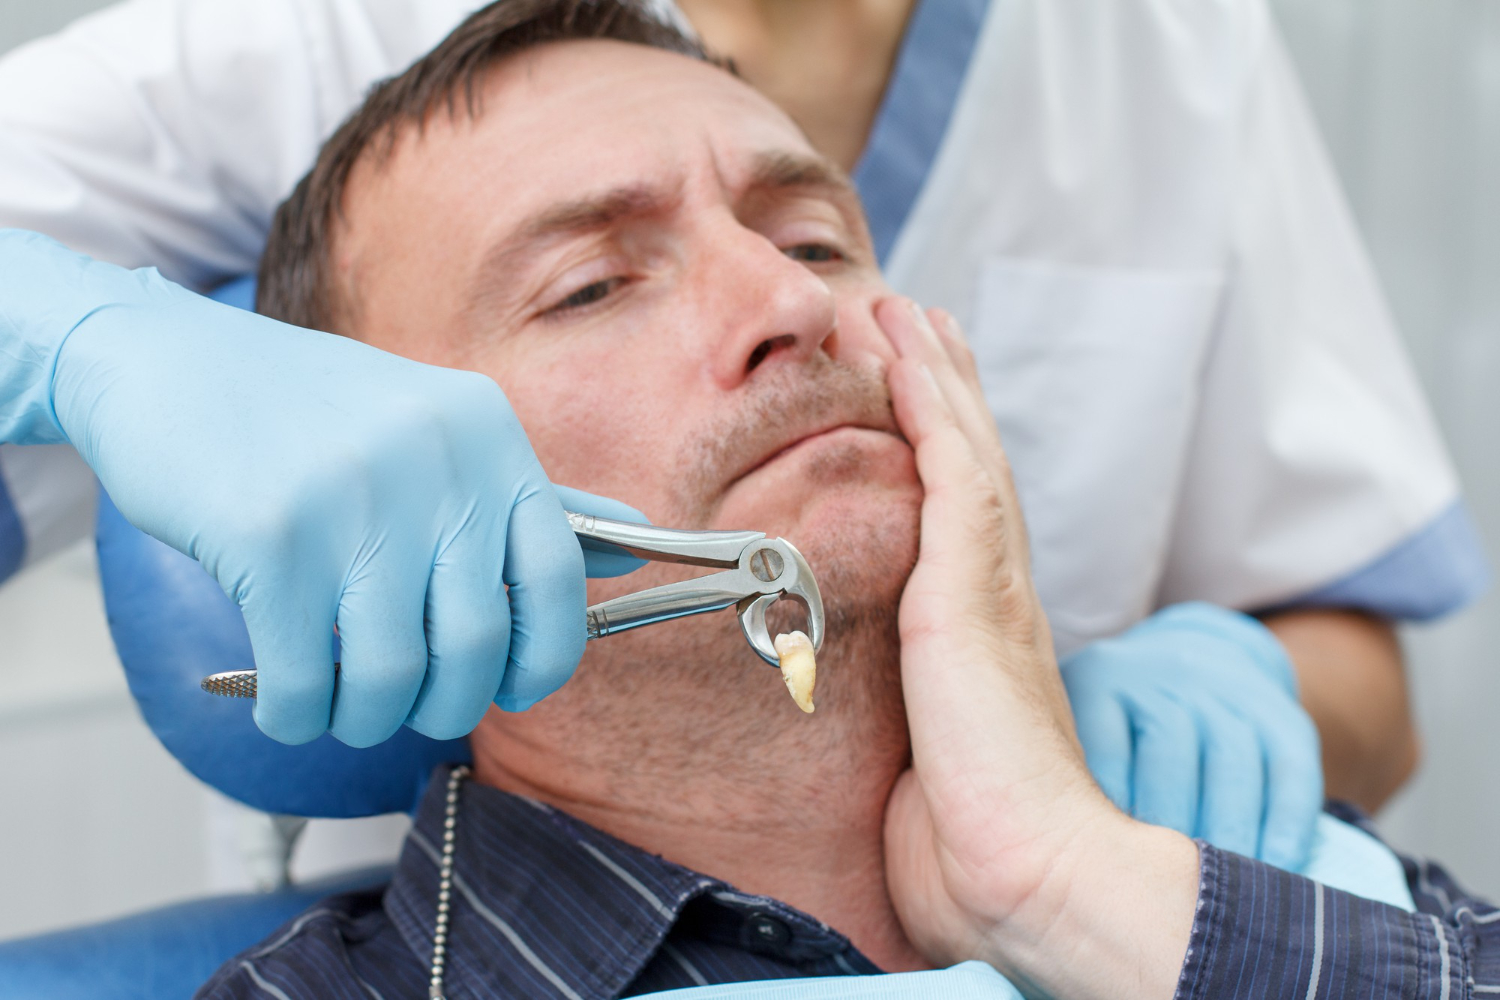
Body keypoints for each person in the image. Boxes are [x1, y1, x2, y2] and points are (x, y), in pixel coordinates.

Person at [189, 6, 1498, 996]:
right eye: (591, 286)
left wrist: (1075, 892)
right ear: (377, 514)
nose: (794, 300)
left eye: (817, 241)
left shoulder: (1282, 889)